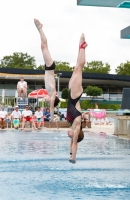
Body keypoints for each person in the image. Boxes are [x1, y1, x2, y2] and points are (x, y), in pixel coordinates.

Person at [67, 33, 88, 164]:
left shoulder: (73, 125)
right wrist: (73, 157)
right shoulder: (77, 126)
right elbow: (74, 144)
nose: (68, 136)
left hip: (72, 94)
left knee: (77, 68)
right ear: (76, 135)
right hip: (75, 95)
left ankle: (81, 46)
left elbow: (71, 144)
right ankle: (82, 47)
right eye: (72, 137)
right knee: (78, 69)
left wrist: (69, 154)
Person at [34, 19, 60, 123]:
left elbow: (46, 99)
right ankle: (40, 28)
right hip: (50, 67)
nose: (47, 102)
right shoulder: (53, 95)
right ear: (53, 102)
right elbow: (52, 107)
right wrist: (52, 118)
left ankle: (39, 29)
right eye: (49, 103)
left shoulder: (49, 94)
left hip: (48, 68)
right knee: (44, 47)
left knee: (43, 46)